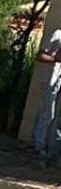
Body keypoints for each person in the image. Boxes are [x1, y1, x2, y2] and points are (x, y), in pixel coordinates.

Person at [32, 25, 61, 162]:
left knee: (54, 116)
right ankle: (38, 145)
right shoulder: (58, 34)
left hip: (58, 82)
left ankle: (50, 149)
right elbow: (40, 55)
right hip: (50, 79)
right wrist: (55, 59)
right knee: (46, 114)